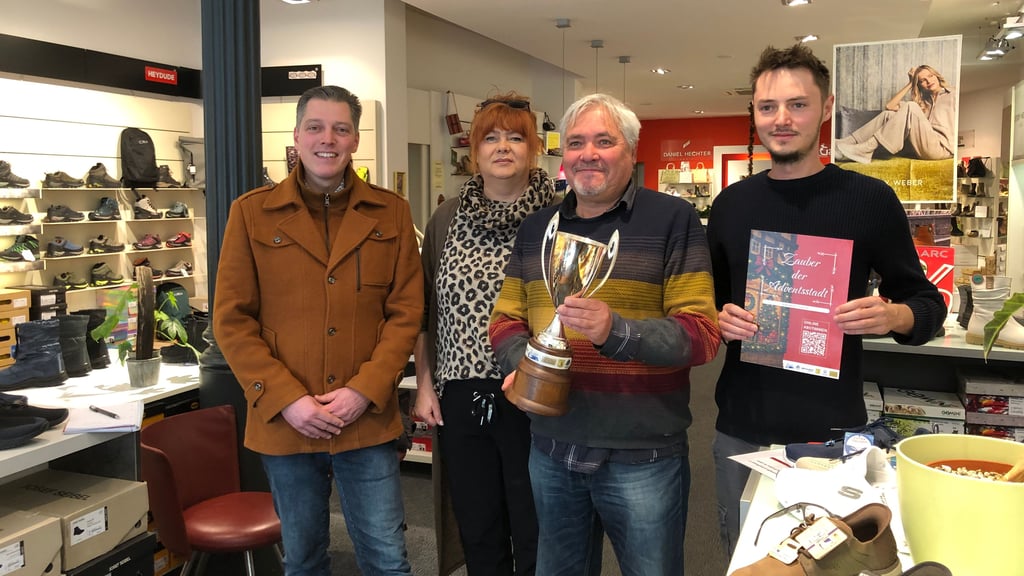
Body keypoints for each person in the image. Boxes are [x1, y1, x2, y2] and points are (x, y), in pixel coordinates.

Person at [706, 44, 946, 556]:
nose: (782, 119)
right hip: (742, 429)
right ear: (754, 113)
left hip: (831, 439)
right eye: (768, 107)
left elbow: (927, 303)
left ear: (827, 108)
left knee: (831, 563)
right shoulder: (731, 206)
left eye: (798, 104)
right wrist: (717, 318)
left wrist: (892, 313)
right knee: (745, 560)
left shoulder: (869, 200)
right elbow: (703, 308)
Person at [489, 93, 721, 575]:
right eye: (575, 143)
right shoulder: (537, 229)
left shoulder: (671, 220)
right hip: (552, 445)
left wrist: (616, 331)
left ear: (631, 150)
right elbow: (505, 320)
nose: (587, 153)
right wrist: (527, 365)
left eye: (603, 141)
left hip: (644, 453)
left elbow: (701, 335)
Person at [213, 85, 422, 576]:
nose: (327, 139)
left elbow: (406, 312)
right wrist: (287, 398)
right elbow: (232, 319)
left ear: (354, 139)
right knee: (303, 561)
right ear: (297, 137)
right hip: (287, 424)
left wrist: (363, 391)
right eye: (316, 127)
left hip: (365, 422)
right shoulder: (250, 212)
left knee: (389, 560)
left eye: (340, 129)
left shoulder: (391, 212)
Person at [413, 93, 558, 576]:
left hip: (535, 393)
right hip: (460, 394)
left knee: (536, 521)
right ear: (474, 151)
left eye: (516, 137)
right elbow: (424, 311)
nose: (503, 147)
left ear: (533, 148)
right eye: (490, 137)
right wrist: (426, 385)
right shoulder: (445, 219)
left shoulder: (559, 218)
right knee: (477, 521)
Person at [834, 64, 955, 163]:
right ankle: (847, 142)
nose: (928, 81)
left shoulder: (953, 94)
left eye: (931, 76)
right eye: (922, 80)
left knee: (910, 105)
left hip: (942, 148)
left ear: (937, 76)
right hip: (922, 145)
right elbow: (890, 106)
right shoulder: (923, 104)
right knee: (889, 115)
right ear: (919, 85)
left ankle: (866, 149)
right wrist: (910, 83)